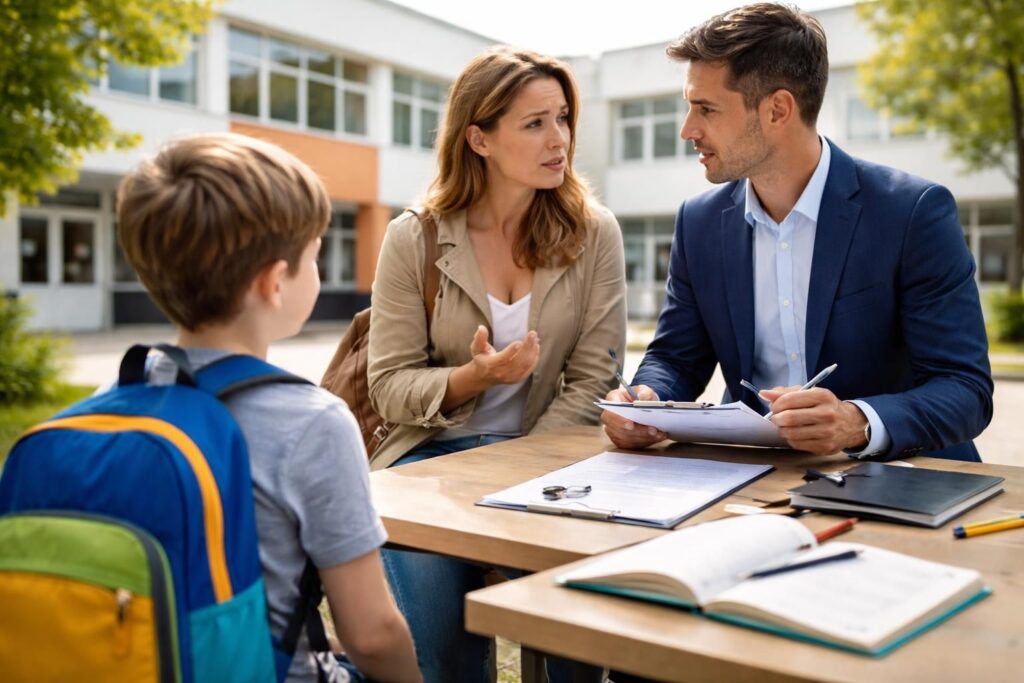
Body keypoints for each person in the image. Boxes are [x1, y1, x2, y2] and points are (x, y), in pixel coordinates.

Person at [602, 3, 993, 462]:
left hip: (906, 474)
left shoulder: (912, 213)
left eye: (706, 109)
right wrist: (647, 400)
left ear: (778, 110)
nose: (688, 129)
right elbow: (676, 358)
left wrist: (857, 421)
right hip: (757, 476)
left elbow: (964, 388)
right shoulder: (699, 222)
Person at [116, 133, 421, 683]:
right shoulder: (311, 423)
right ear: (276, 282)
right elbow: (374, 635)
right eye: (315, 255)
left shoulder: (110, 406)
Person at [366, 47, 626, 682]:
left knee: (582, 633)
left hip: (552, 462)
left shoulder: (595, 232)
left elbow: (594, 379)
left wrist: (515, 472)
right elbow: (389, 385)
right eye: (535, 123)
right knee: (441, 651)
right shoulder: (415, 236)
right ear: (478, 138)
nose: (559, 139)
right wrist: (472, 378)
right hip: (429, 465)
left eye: (563, 118)